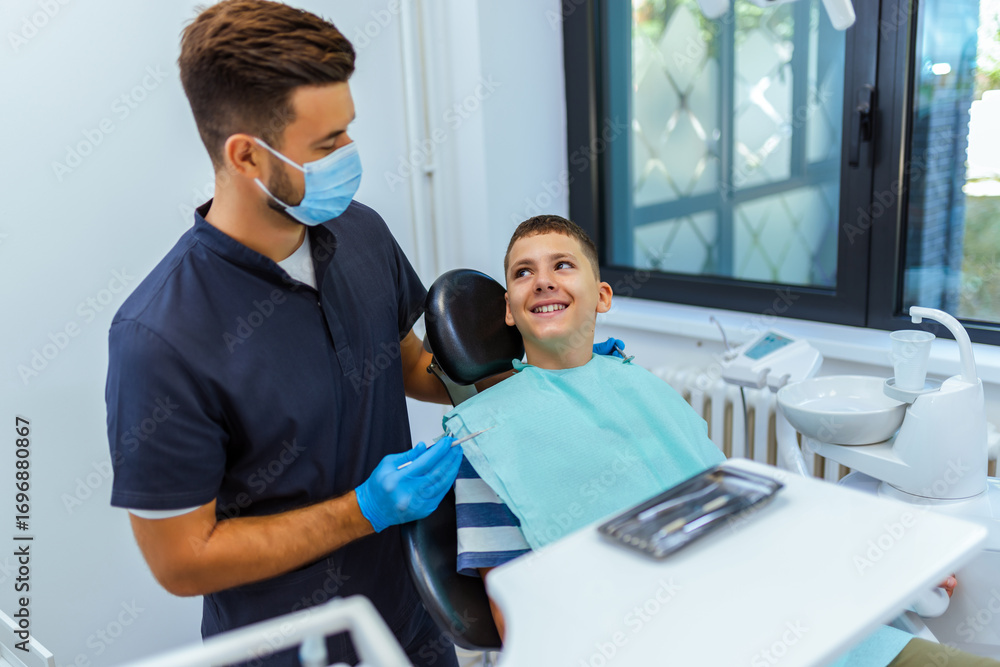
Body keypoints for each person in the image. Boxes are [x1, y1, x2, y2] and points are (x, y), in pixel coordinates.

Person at [449, 215, 999, 667]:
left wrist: (880, 567)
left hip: (773, 615)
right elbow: (518, 618)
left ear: (603, 296)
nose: (542, 280)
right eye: (523, 272)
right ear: (507, 310)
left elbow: (746, 516)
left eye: (562, 265)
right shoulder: (489, 437)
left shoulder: (642, 389)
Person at [104, 2, 465, 665]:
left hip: (413, 622)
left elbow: (408, 362)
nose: (350, 155)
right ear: (246, 155)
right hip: (291, 651)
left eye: (348, 131)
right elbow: (183, 560)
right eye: (327, 144)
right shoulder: (159, 337)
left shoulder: (362, 233)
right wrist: (363, 509)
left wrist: (530, 368)